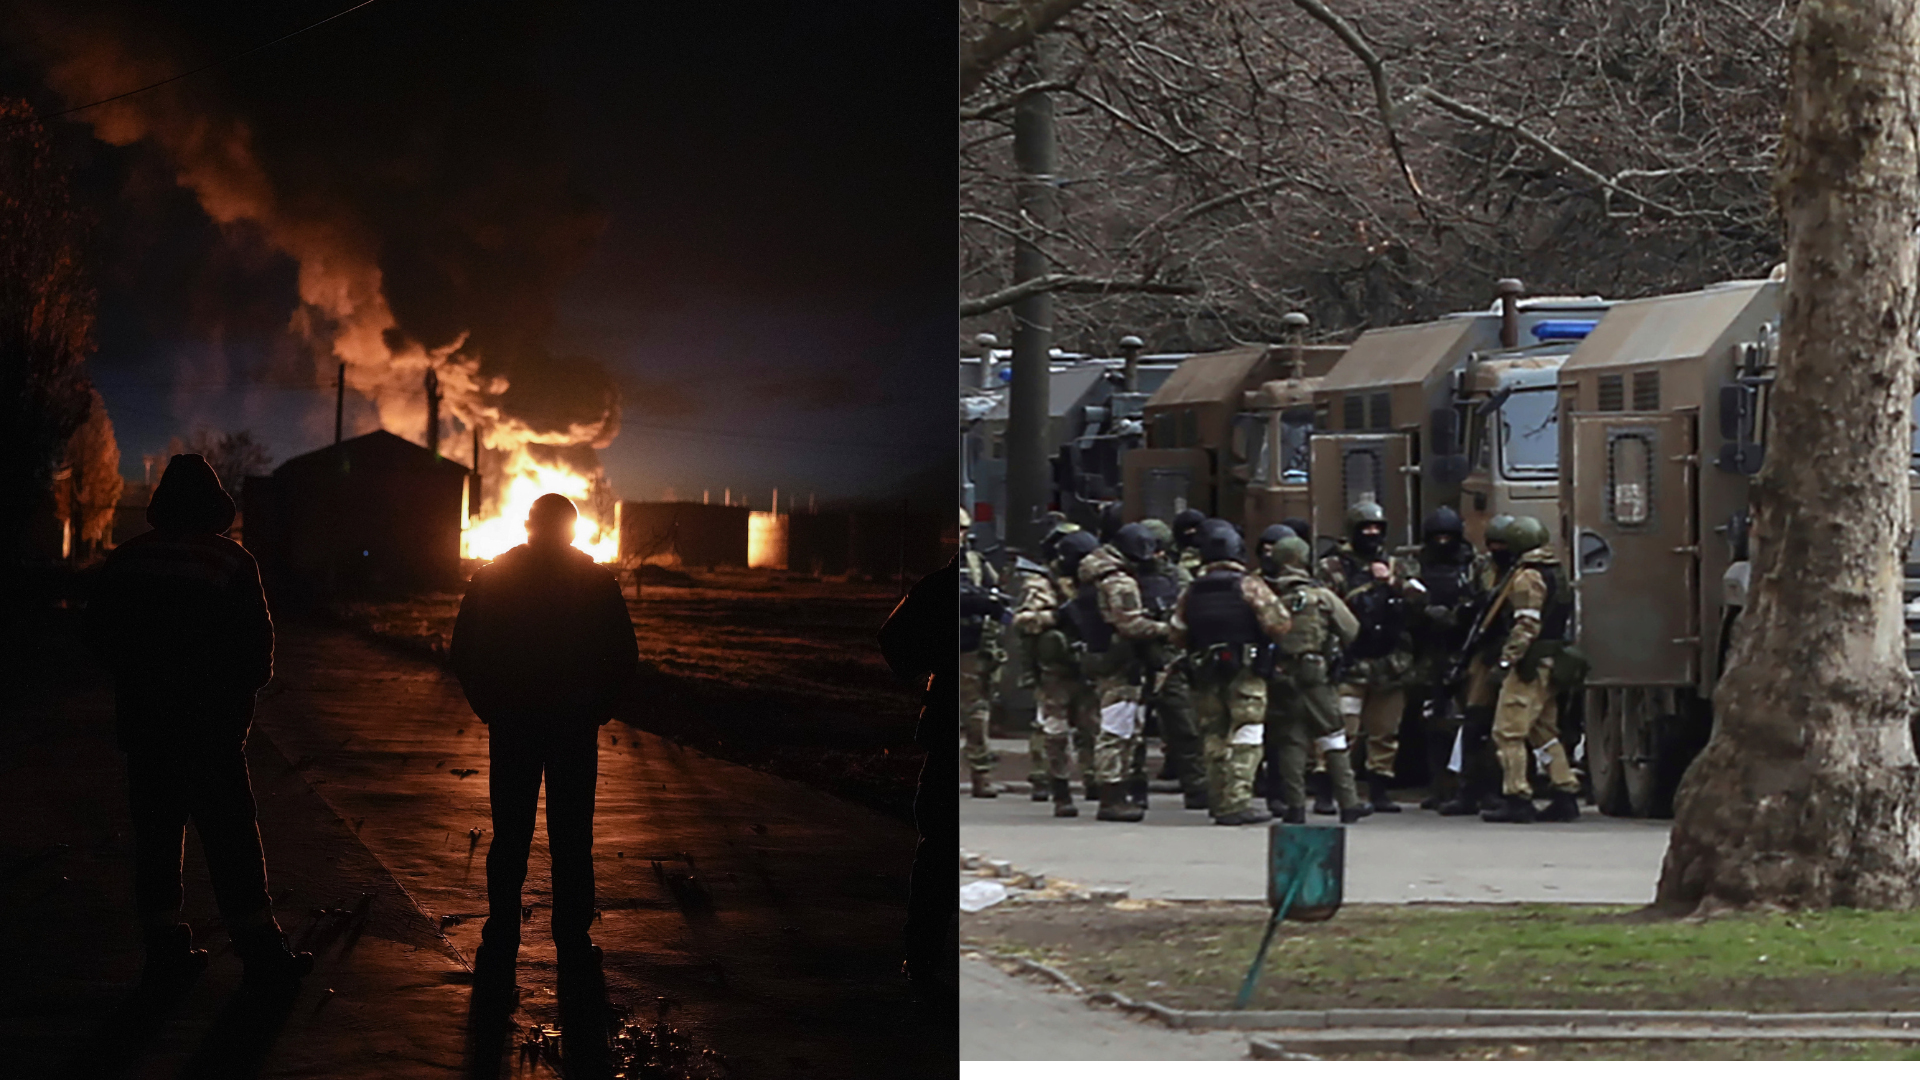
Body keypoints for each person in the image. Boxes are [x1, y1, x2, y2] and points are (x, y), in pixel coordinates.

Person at [83, 453, 314, 988]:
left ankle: (163, 952)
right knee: (231, 838)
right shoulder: (231, 561)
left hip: (145, 730)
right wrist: (225, 700)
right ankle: (260, 954)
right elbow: (258, 656)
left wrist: (140, 680)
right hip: (211, 732)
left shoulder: (126, 559)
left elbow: (97, 635)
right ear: (216, 506)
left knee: (157, 840)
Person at [451, 493, 639, 996]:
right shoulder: (596, 582)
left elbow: (464, 649)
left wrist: (490, 705)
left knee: (510, 836)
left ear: (529, 525)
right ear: (573, 531)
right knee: (573, 839)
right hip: (573, 728)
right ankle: (573, 944)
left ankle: (500, 942)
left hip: (513, 724)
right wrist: (596, 708)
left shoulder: (495, 577)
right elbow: (624, 656)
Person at [1170, 519, 1292, 826]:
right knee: (1247, 733)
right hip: (1246, 672)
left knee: (1213, 735)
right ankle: (1236, 802)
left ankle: (1218, 799)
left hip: (1205, 672)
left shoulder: (1192, 591)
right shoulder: (1249, 584)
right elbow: (1278, 624)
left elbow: (1176, 633)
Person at [878, 556, 960, 995]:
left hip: (955, 736)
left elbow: (896, 645)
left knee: (940, 851)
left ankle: (923, 959)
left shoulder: (945, 586)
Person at [1315, 500, 1424, 814]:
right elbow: (1325, 607)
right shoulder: (1333, 568)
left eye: (1377, 528)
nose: (1372, 533)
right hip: (1350, 662)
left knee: (1385, 731)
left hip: (1390, 664)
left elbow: (1420, 600)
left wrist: (1391, 582)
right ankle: (1326, 792)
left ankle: (1380, 792)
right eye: (1366, 528)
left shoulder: (1397, 566)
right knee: (1340, 729)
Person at [1472, 515, 1582, 824]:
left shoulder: (1527, 577)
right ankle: (1564, 791)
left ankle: (1517, 797)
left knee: (1508, 732)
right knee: (1544, 732)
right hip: (1552, 663)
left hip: (1529, 666)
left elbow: (1526, 625)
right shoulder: (1556, 572)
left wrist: (1507, 661)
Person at [1261, 535, 1369, 824]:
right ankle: (1349, 803)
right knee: (1333, 735)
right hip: (1315, 673)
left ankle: (1295, 806)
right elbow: (1352, 630)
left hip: (1282, 675)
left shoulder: (1270, 598)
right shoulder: (1321, 597)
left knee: (1291, 740)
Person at [1073, 523, 1173, 821]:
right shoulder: (1119, 582)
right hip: (1121, 662)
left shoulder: (1094, 574)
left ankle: (1116, 793)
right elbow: (1130, 624)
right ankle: (1112, 797)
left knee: (1118, 727)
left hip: (1101, 656)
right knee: (1118, 730)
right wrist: (1169, 630)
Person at [1013, 527, 1102, 816]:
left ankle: (1094, 780)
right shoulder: (1043, 583)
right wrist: (1056, 616)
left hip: (1089, 664)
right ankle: (1060, 789)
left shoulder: (1097, 583)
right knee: (1056, 731)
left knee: (1092, 727)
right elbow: (1023, 621)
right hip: (1056, 669)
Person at [1408, 506, 1485, 809]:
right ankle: (1440, 786)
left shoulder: (1474, 565)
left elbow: (1482, 599)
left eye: (1447, 536)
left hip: (1464, 648)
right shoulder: (1415, 564)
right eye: (1437, 536)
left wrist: (1460, 615)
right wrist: (1424, 611)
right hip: (1429, 651)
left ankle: (1470, 786)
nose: (1443, 542)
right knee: (1433, 722)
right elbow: (1406, 597)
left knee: (1471, 720)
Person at [959, 507, 1006, 798]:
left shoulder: (976, 561)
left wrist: (989, 601)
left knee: (977, 712)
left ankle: (981, 774)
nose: (961, 534)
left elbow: (994, 593)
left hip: (970, 646)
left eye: (964, 529)